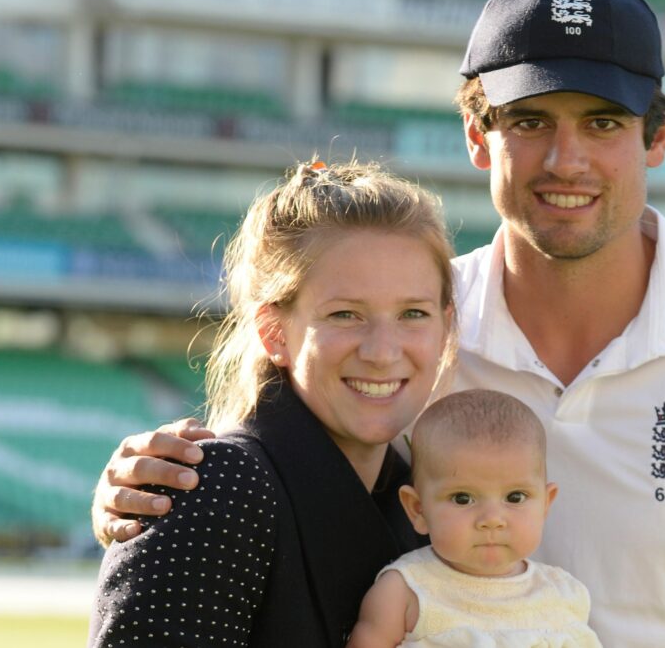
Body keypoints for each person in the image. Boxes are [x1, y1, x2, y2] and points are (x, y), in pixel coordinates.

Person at [90, 0, 665, 647]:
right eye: (529, 121)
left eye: (603, 123)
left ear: (658, 136)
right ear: (477, 134)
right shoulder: (413, 331)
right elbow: (262, 470)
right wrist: (142, 499)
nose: (565, 159)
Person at [88, 159, 457, 647]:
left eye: (413, 313)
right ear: (274, 332)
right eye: (345, 314)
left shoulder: (418, 499)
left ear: (446, 325)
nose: (384, 351)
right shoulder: (217, 486)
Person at [348, 389, 601, 648]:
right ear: (418, 509)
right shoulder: (406, 591)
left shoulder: (563, 593)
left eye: (515, 497)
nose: (492, 520)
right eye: (462, 498)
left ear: (545, 504)